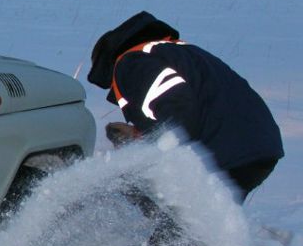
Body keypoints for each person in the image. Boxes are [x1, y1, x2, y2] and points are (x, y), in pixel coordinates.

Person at [88, 11, 283, 201]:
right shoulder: (176, 51)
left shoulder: (131, 62)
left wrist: (149, 150)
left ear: (107, 63)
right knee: (194, 222)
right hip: (257, 146)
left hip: (228, 151)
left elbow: (176, 107)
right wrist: (140, 135)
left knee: (181, 223)